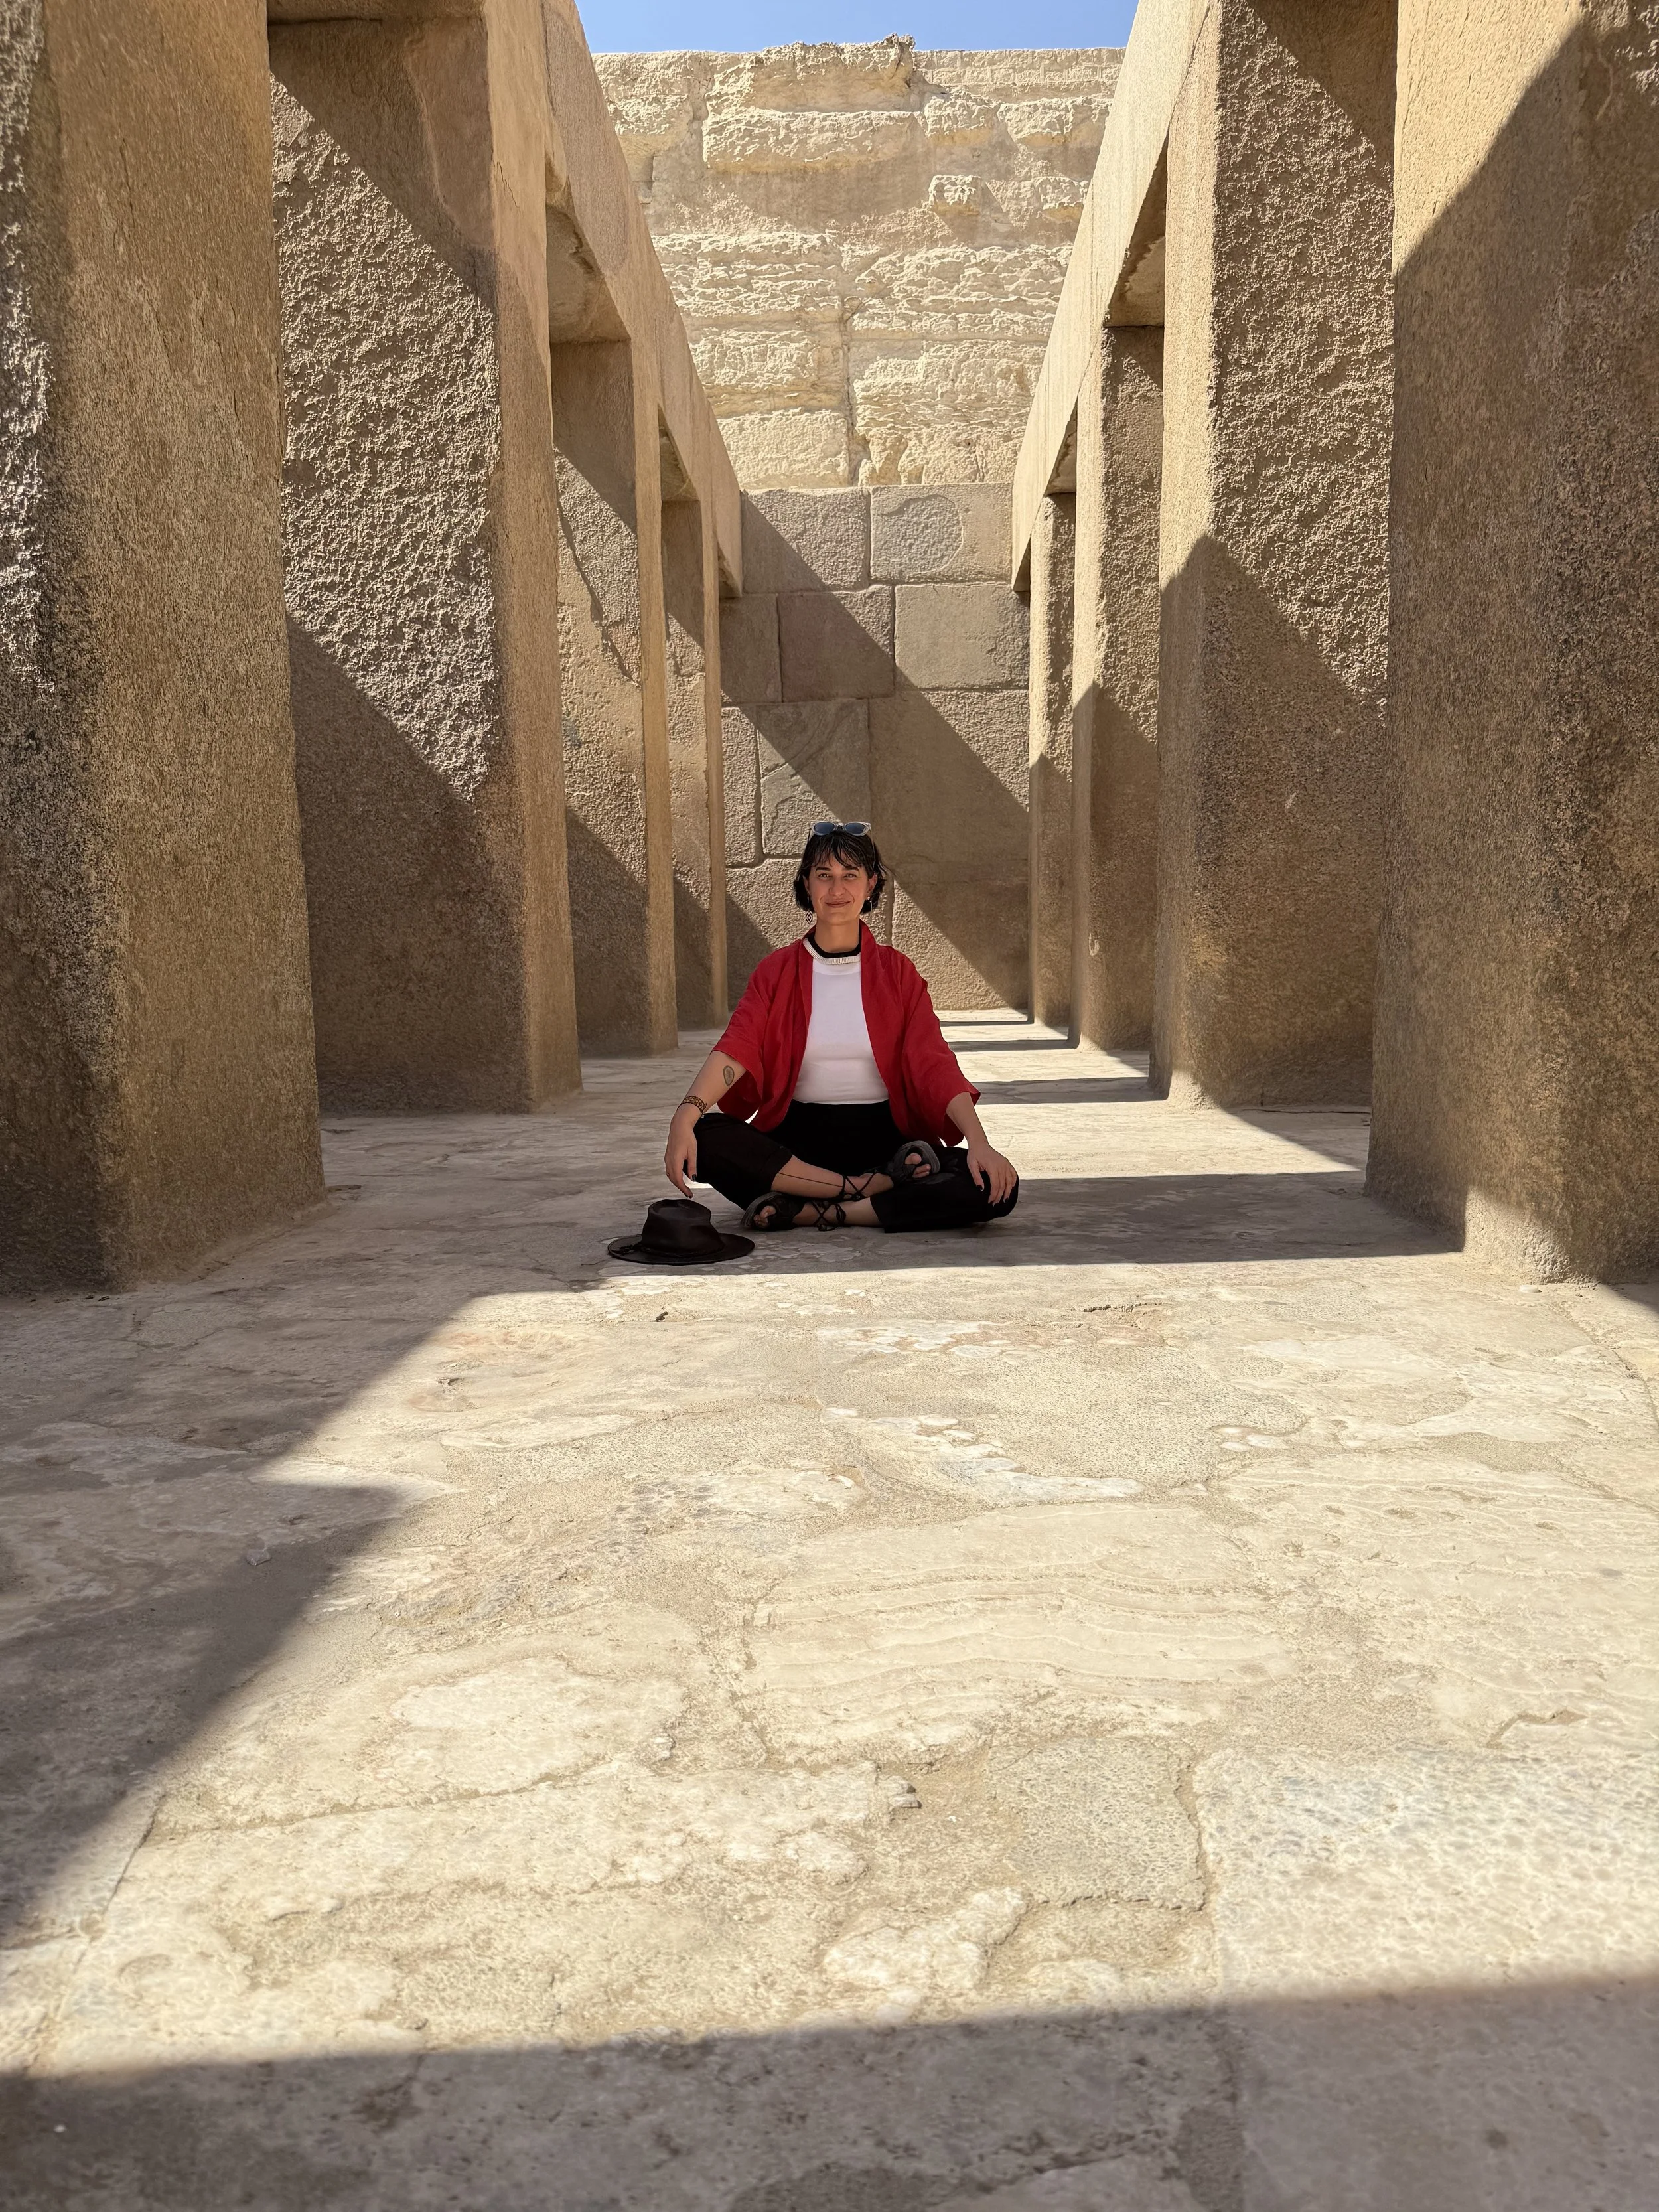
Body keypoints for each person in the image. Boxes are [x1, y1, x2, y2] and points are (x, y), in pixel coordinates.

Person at [664, 822, 1019, 1232]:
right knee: (705, 1137)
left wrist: (979, 1143)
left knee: (996, 1187)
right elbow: (737, 1047)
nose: (837, 889)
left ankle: (811, 1209)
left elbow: (933, 1063)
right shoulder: (776, 972)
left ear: (871, 885)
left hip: (886, 1143)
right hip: (796, 1144)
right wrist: (686, 1113)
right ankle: (871, 1189)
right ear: (806, 883)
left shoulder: (898, 973)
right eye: (824, 875)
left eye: (850, 875)